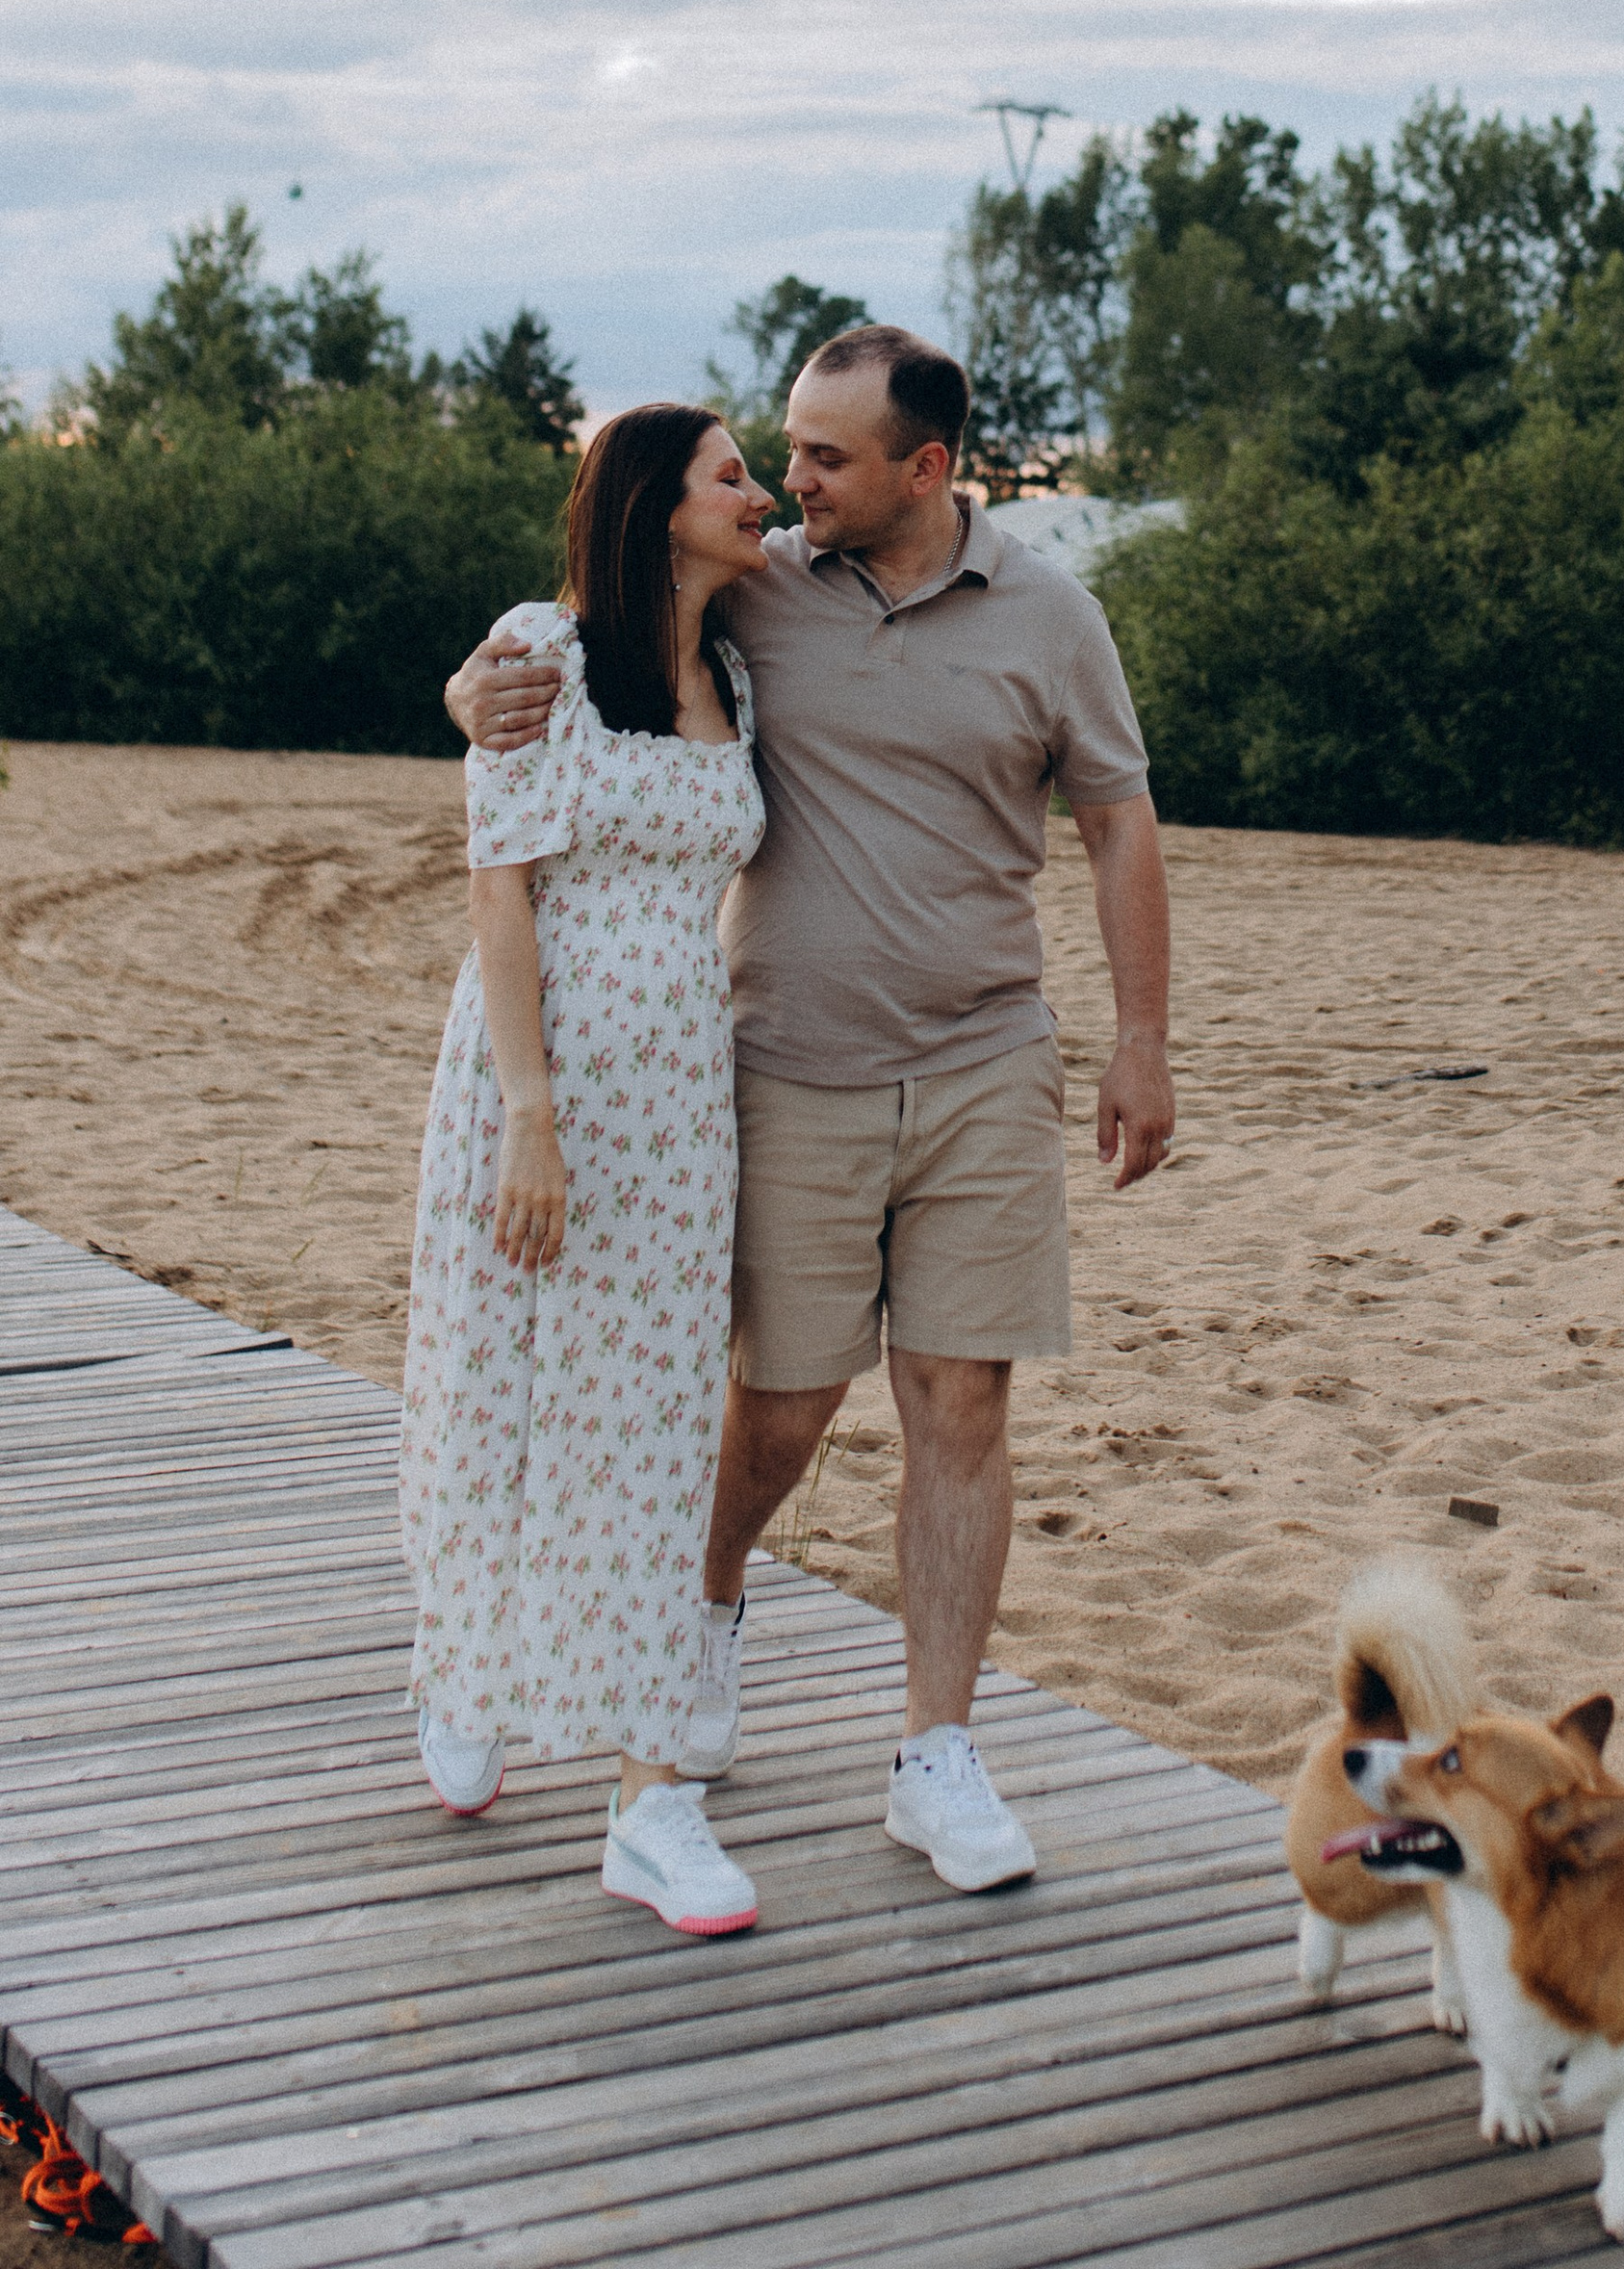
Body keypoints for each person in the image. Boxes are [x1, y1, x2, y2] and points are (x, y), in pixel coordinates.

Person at [448, 322, 1173, 1895]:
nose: (791, 484)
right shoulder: (762, 586)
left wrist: (1144, 1042)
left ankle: (937, 1753)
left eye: (827, 458)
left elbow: (1117, 821)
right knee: (776, 1412)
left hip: (988, 1057)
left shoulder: (1053, 616)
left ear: (929, 468)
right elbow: (596, 620)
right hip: (780, 1065)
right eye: (782, 453)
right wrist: (471, 685)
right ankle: (698, 1620)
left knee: (960, 1402)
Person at [402, 402, 775, 1938]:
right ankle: (464, 1664)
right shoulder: (538, 654)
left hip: (685, 1092)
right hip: (533, 1069)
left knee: (657, 1420)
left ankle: (647, 1796)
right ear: (649, 506)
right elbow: (502, 887)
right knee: (500, 1373)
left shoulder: (743, 661)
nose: (761, 495)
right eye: (731, 475)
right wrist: (531, 1115)